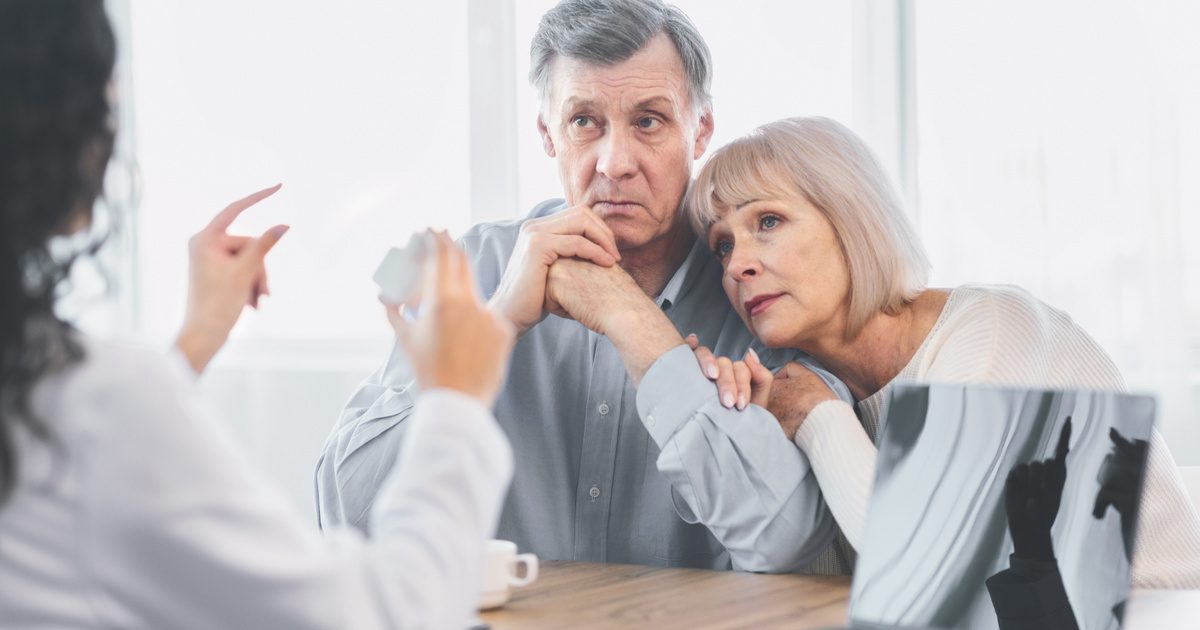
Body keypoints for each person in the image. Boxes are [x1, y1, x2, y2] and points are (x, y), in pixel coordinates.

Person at [0, 2, 515, 627]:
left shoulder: (68, 394)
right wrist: (456, 402)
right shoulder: (97, 401)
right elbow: (388, 615)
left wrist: (192, 344)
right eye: (107, 106)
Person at [316, 0, 853, 574]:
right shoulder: (476, 269)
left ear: (701, 130)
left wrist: (634, 322)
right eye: (584, 122)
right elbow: (347, 515)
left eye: (648, 120)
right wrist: (497, 327)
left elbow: (787, 541)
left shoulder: (760, 291)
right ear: (549, 133)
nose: (615, 162)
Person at [684, 115, 1200, 585]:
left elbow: (928, 562)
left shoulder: (992, 330)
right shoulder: (813, 386)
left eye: (767, 222)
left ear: (852, 218)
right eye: (722, 244)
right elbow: (821, 586)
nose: (736, 266)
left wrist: (816, 416)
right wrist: (745, 437)